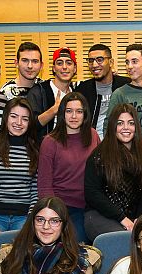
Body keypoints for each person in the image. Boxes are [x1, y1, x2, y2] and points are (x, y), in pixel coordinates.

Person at [0, 97, 40, 258]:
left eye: (24, 118)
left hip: (23, 218)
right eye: (14, 116)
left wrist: (29, 222)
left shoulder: (35, 151)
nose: (18, 122)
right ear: (5, 118)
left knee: (19, 264)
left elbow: (35, 192)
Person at [37, 92, 101, 243]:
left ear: (85, 114)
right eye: (69, 111)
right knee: (74, 245)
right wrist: (54, 215)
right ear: (62, 114)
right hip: (62, 207)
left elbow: (101, 173)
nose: (74, 116)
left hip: (91, 206)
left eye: (79, 111)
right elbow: (44, 186)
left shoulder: (93, 135)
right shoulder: (50, 142)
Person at [83, 104, 142, 242]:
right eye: (120, 123)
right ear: (113, 127)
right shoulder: (99, 155)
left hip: (130, 219)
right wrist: (122, 218)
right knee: (125, 241)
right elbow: (92, 193)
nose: (126, 127)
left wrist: (139, 218)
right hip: (100, 216)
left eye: (131, 123)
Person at [75, 43, 130, 139]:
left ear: (111, 62)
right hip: (91, 142)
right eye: (91, 61)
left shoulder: (126, 85)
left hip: (120, 141)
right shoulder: (83, 89)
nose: (94, 65)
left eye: (100, 60)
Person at [0, 42, 44, 137]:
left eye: (35, 61)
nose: (30, 66)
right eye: (25, 60)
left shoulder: (45, 88)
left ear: (41, 65)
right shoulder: (5, 93)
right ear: (16, 63)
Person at [27, 47, 77, 136]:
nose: (64, 67)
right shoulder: (39, 91)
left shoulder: (76, 93)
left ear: (75, 69)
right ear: (54, 68)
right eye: (59, 63)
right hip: (44, 144)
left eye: (69, 63)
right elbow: (30, 126)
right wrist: (54, 110)